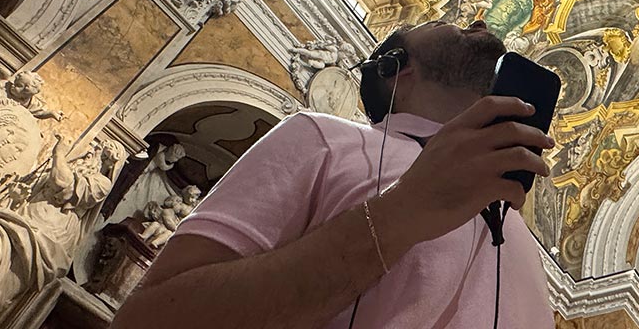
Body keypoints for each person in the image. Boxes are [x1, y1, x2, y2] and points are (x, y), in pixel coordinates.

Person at [111, 20, 556, 328]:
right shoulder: (324, 139)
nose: (478, 25)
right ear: (394, 68)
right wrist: (403, 211)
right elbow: (149, 319)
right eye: (444, 24)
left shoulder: (524, 243)